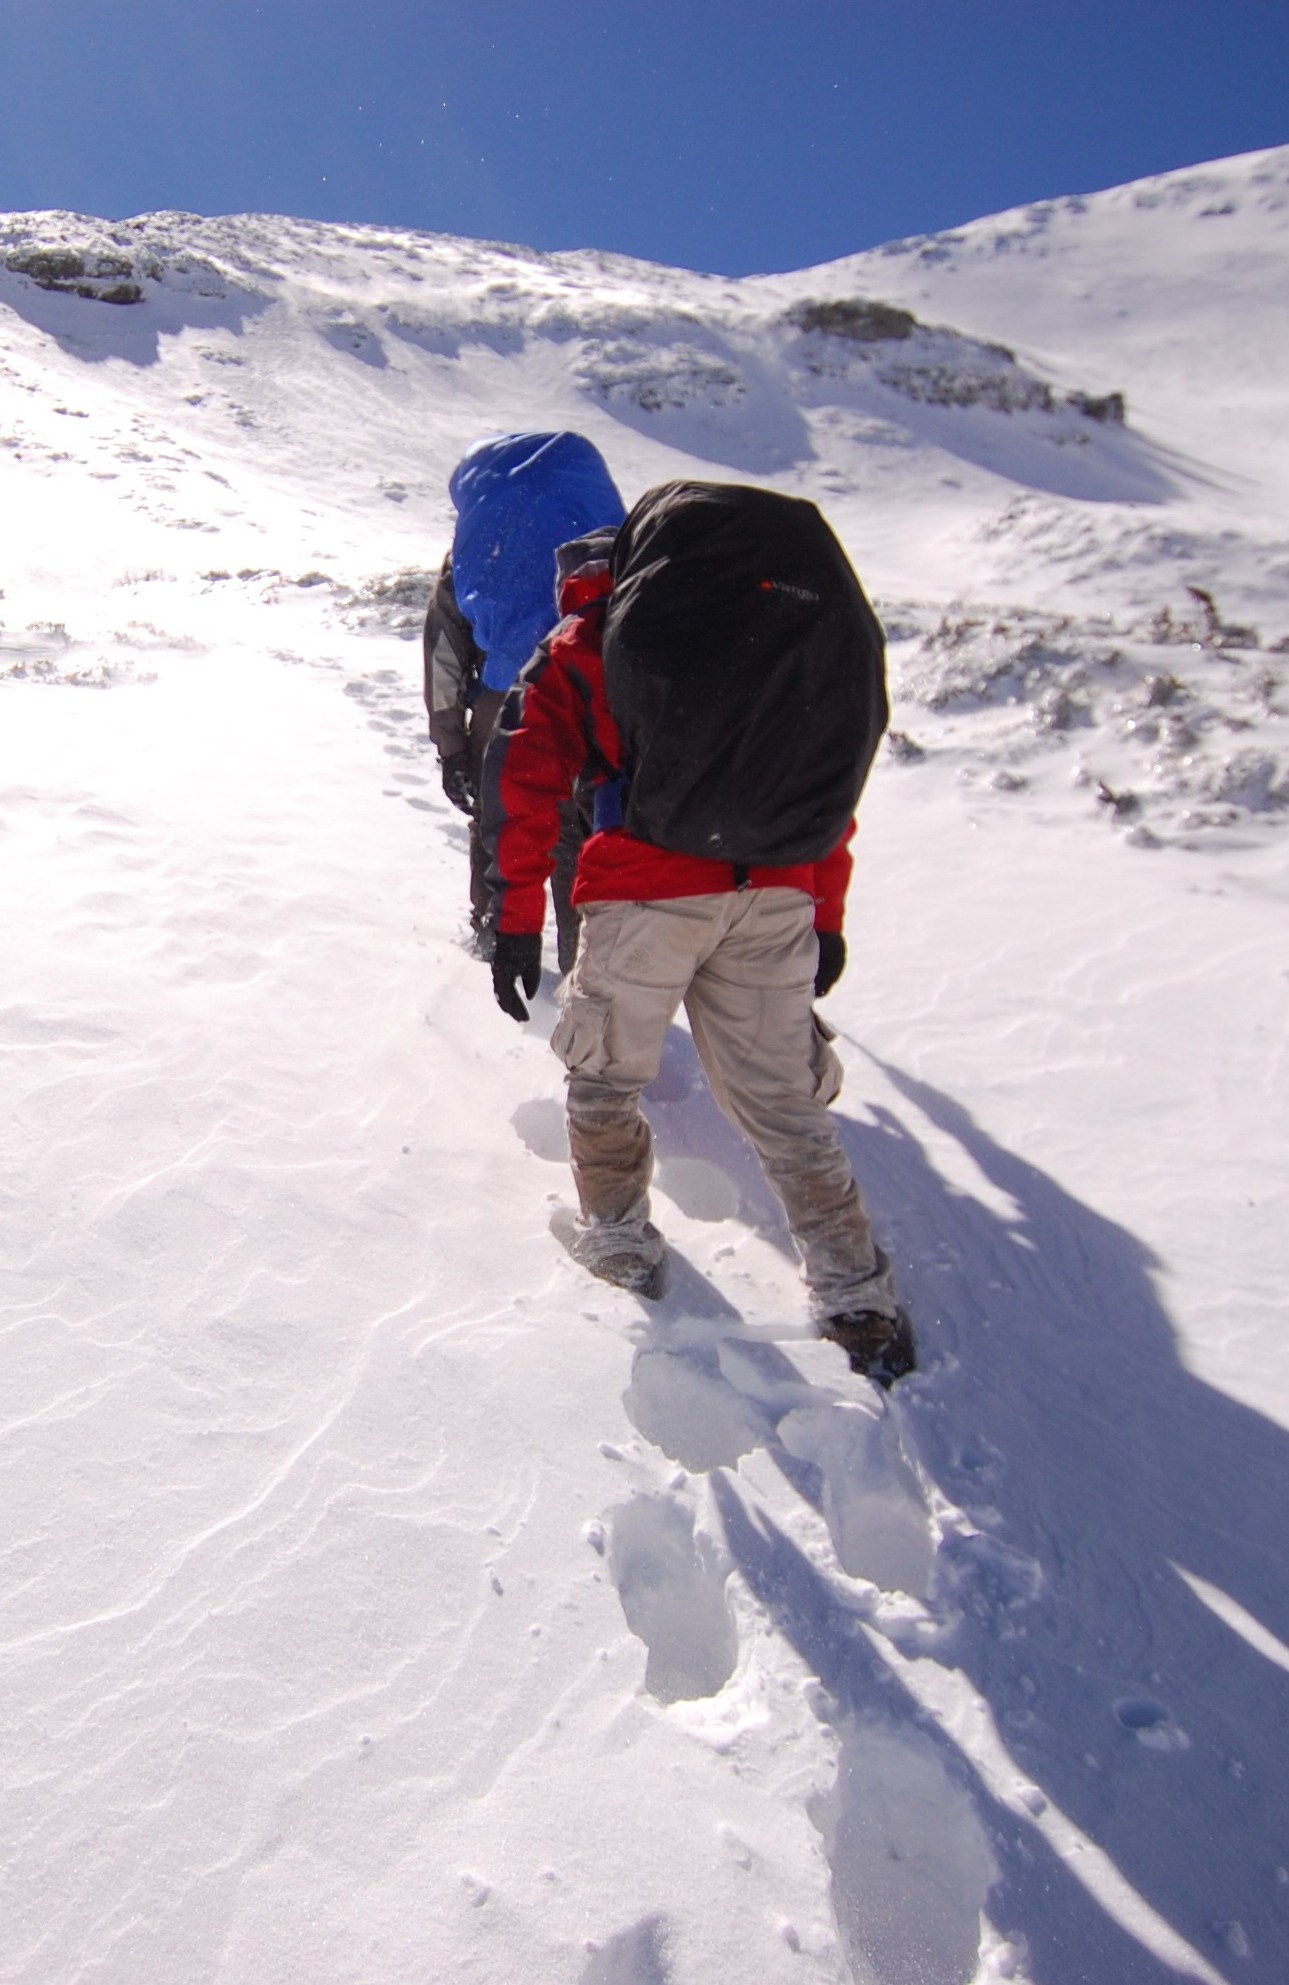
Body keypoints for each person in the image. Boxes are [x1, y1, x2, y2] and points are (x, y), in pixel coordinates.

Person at [478, 490, 916, 1387]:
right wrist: (822, 915)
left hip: (645, 894)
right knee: (784, 1104)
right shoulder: (780, 649)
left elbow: (525, 779)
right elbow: (822, 791)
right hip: (774, 896)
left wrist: (517, 920)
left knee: (604, 1075)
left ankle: (617, 1239)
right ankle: (854, 1293)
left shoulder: (591, 647)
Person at [423, 430, 626, 969]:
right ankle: (585, 966)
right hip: (593, 701)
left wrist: (449, 748)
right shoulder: (609, 542)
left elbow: (444, 653)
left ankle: (498, 944)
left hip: (503, 707)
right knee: (582, 841)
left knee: (503, 821)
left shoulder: (469, 557)